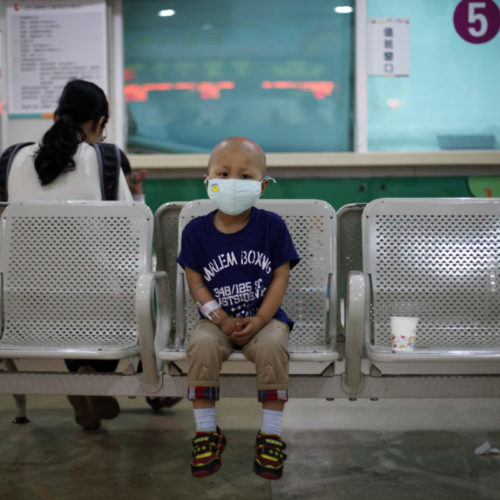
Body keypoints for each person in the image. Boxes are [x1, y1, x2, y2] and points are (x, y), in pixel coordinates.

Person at [4, 79, 155, 429]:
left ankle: (84, 377)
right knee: (127, 288)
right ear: (100, 122)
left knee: (75, 288)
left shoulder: (11, 158)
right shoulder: (104, 159)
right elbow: (130, 238)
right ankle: (91, 376)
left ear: (57, 115)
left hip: (23, 310)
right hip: (95, 309)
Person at [176, 137, 300, 480]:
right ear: (208, 179)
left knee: (275, 345)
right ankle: (206, 432)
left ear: (262, 185)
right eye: (223, 173)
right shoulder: (196, 231)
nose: (233, 182)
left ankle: (271, 434)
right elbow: (195, 281)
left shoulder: (272, 225)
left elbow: (280, 277)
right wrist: (222, 318)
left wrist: (261, 319)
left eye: (245, 176)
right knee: (200, 346)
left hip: (265, 320)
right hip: (216, 322)